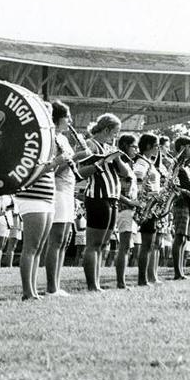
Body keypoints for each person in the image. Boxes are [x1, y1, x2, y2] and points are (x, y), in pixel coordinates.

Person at [15, 103, 66, 301]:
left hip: (46, 196)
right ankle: (28, 292)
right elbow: (30, 172)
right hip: (32, 196)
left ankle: (33, 290)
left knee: (38, 248)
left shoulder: (49, 139)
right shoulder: (31, 138)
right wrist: (56, 162)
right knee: (31, 247)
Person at [77, 114, 126, 291]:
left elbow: (126, 173)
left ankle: (96, 283)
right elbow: (81, 171)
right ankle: (92, 285)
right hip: (97, 197)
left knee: (103, 244)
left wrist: (117, 157)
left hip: (112, 197)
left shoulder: (109, 147)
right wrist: (102, 161)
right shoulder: (91, 144)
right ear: (106, 129)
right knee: (94, 244)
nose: (116, 136)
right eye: (115, 132)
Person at [45, 100, 81, 296]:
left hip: (68, 190)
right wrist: (74, 158)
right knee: (56, 238)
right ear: (58, 119)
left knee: (65, 239)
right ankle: (52, 287)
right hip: (57, 190)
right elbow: (54, 169)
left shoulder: (64, 139)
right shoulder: (51, 139)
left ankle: (57, 285)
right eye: (67, 117)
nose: (70, 121)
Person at [133, 133, 163, 286]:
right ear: (148, 146)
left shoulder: (148, 162)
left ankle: (146, 277)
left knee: (150, 244)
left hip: (153, 206)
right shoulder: (142, 163)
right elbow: (137, 179)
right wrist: (149, 195)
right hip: (148, 206)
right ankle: (142, 279)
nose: (158, 149)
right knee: (146, 245)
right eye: (156, 146)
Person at [171, 136, 190, 278]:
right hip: (180, 203)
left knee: (184, 239)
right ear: (182, 147)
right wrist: (189, 192)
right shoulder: (176, 165)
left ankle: (181, 271)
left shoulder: (186, 167)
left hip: (188, 204)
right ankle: (177, 272)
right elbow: (173, 185)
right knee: (179, 237)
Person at [114, 134, 140, 288]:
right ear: (124, 145)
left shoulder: (129, 164)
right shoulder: (119, 165)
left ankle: (121, 281)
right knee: (123, 248)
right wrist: (130, 201)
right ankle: (121, 283)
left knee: (127, 248)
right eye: (133, 146)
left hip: (130, 210)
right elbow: (114, 189)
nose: (136, 150)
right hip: (124, 209)